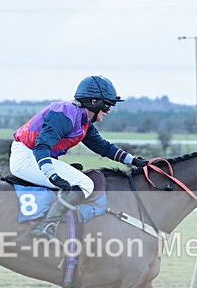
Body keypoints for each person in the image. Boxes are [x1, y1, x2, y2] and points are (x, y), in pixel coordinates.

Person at [10, 75, 148, 239]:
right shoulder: (66, 115)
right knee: (85, 184)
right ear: (94, 102)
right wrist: (52, 174)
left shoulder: (83, 122)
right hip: (28, 157)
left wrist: (133, 161)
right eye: (107, 106)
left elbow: (103, 147)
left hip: (35, 155)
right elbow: (42, 146)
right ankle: (46, 226)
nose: (108, 111)